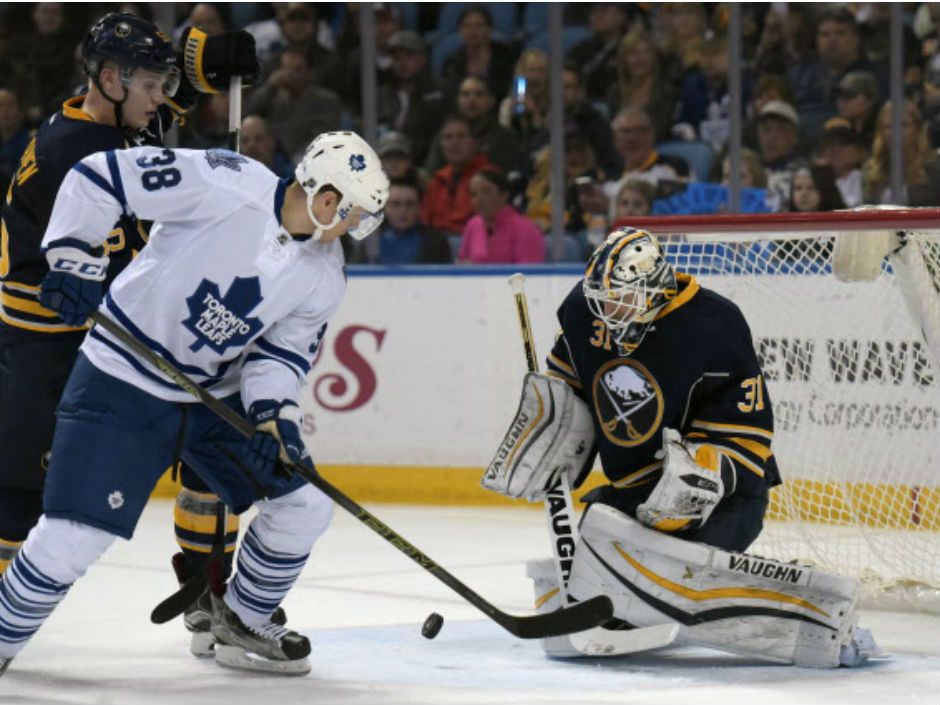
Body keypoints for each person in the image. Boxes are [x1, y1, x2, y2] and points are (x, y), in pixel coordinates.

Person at [0, 131, 390, 677]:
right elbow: (101, 175)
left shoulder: (324, 274)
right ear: (328, 198)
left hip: (211, 398)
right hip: (121, 379)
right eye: (357, 213)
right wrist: (72, 258)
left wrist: (273, 420)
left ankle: (242, 619)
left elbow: (278, 357)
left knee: (304, 504)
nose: (357, 228)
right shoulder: (225, 182)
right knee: (74, 535)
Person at [481, 227, 878, 668]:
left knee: (681, 566)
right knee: (602, 538)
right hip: (635, 492)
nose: (609, 314)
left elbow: (747, 432)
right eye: (602, 301)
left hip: (726, 500)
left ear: (655, 288)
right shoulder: (582, 309)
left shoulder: (715, 324)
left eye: (622, 301)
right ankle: (634, 602)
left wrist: (702, 476)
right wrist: (551, 422)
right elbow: (571, 379)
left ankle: (787, 610)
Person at [0, 11, 260, 653]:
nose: (163, 97)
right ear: (110, 80)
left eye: (164, 83)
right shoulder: (73, 156)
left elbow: (165, 103)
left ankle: (209, 592)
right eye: (151, 85)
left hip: (114, 334)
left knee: (215, 455)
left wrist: (208, 60)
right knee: (23, 496)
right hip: (49, 343)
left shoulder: (114, 114)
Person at [421, 114, 492, 238]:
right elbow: (425, 222)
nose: (454, 143)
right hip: (438, 245)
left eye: (461, 137)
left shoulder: (490, 178)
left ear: (474, 142)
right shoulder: (437, 180)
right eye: (448, 138)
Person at [862, 100, 940, 207]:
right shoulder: (871, 169)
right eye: (889, 127)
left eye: (904, 125)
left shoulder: (935, 166)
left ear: (917, 129)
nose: (896, 131)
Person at [459, 168, 545, 265]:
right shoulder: (472, 225)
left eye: (487, 192)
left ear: (504, 196)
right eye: (474, 194)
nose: (479, 200)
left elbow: (528, 275)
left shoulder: (526, 229)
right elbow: (462, 264)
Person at [371, 180, 451, 265]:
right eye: (396, 204)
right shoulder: (370, 241)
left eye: (410, 204)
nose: (403, 210)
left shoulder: (437, 243)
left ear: (419, 208)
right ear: (384, 208)